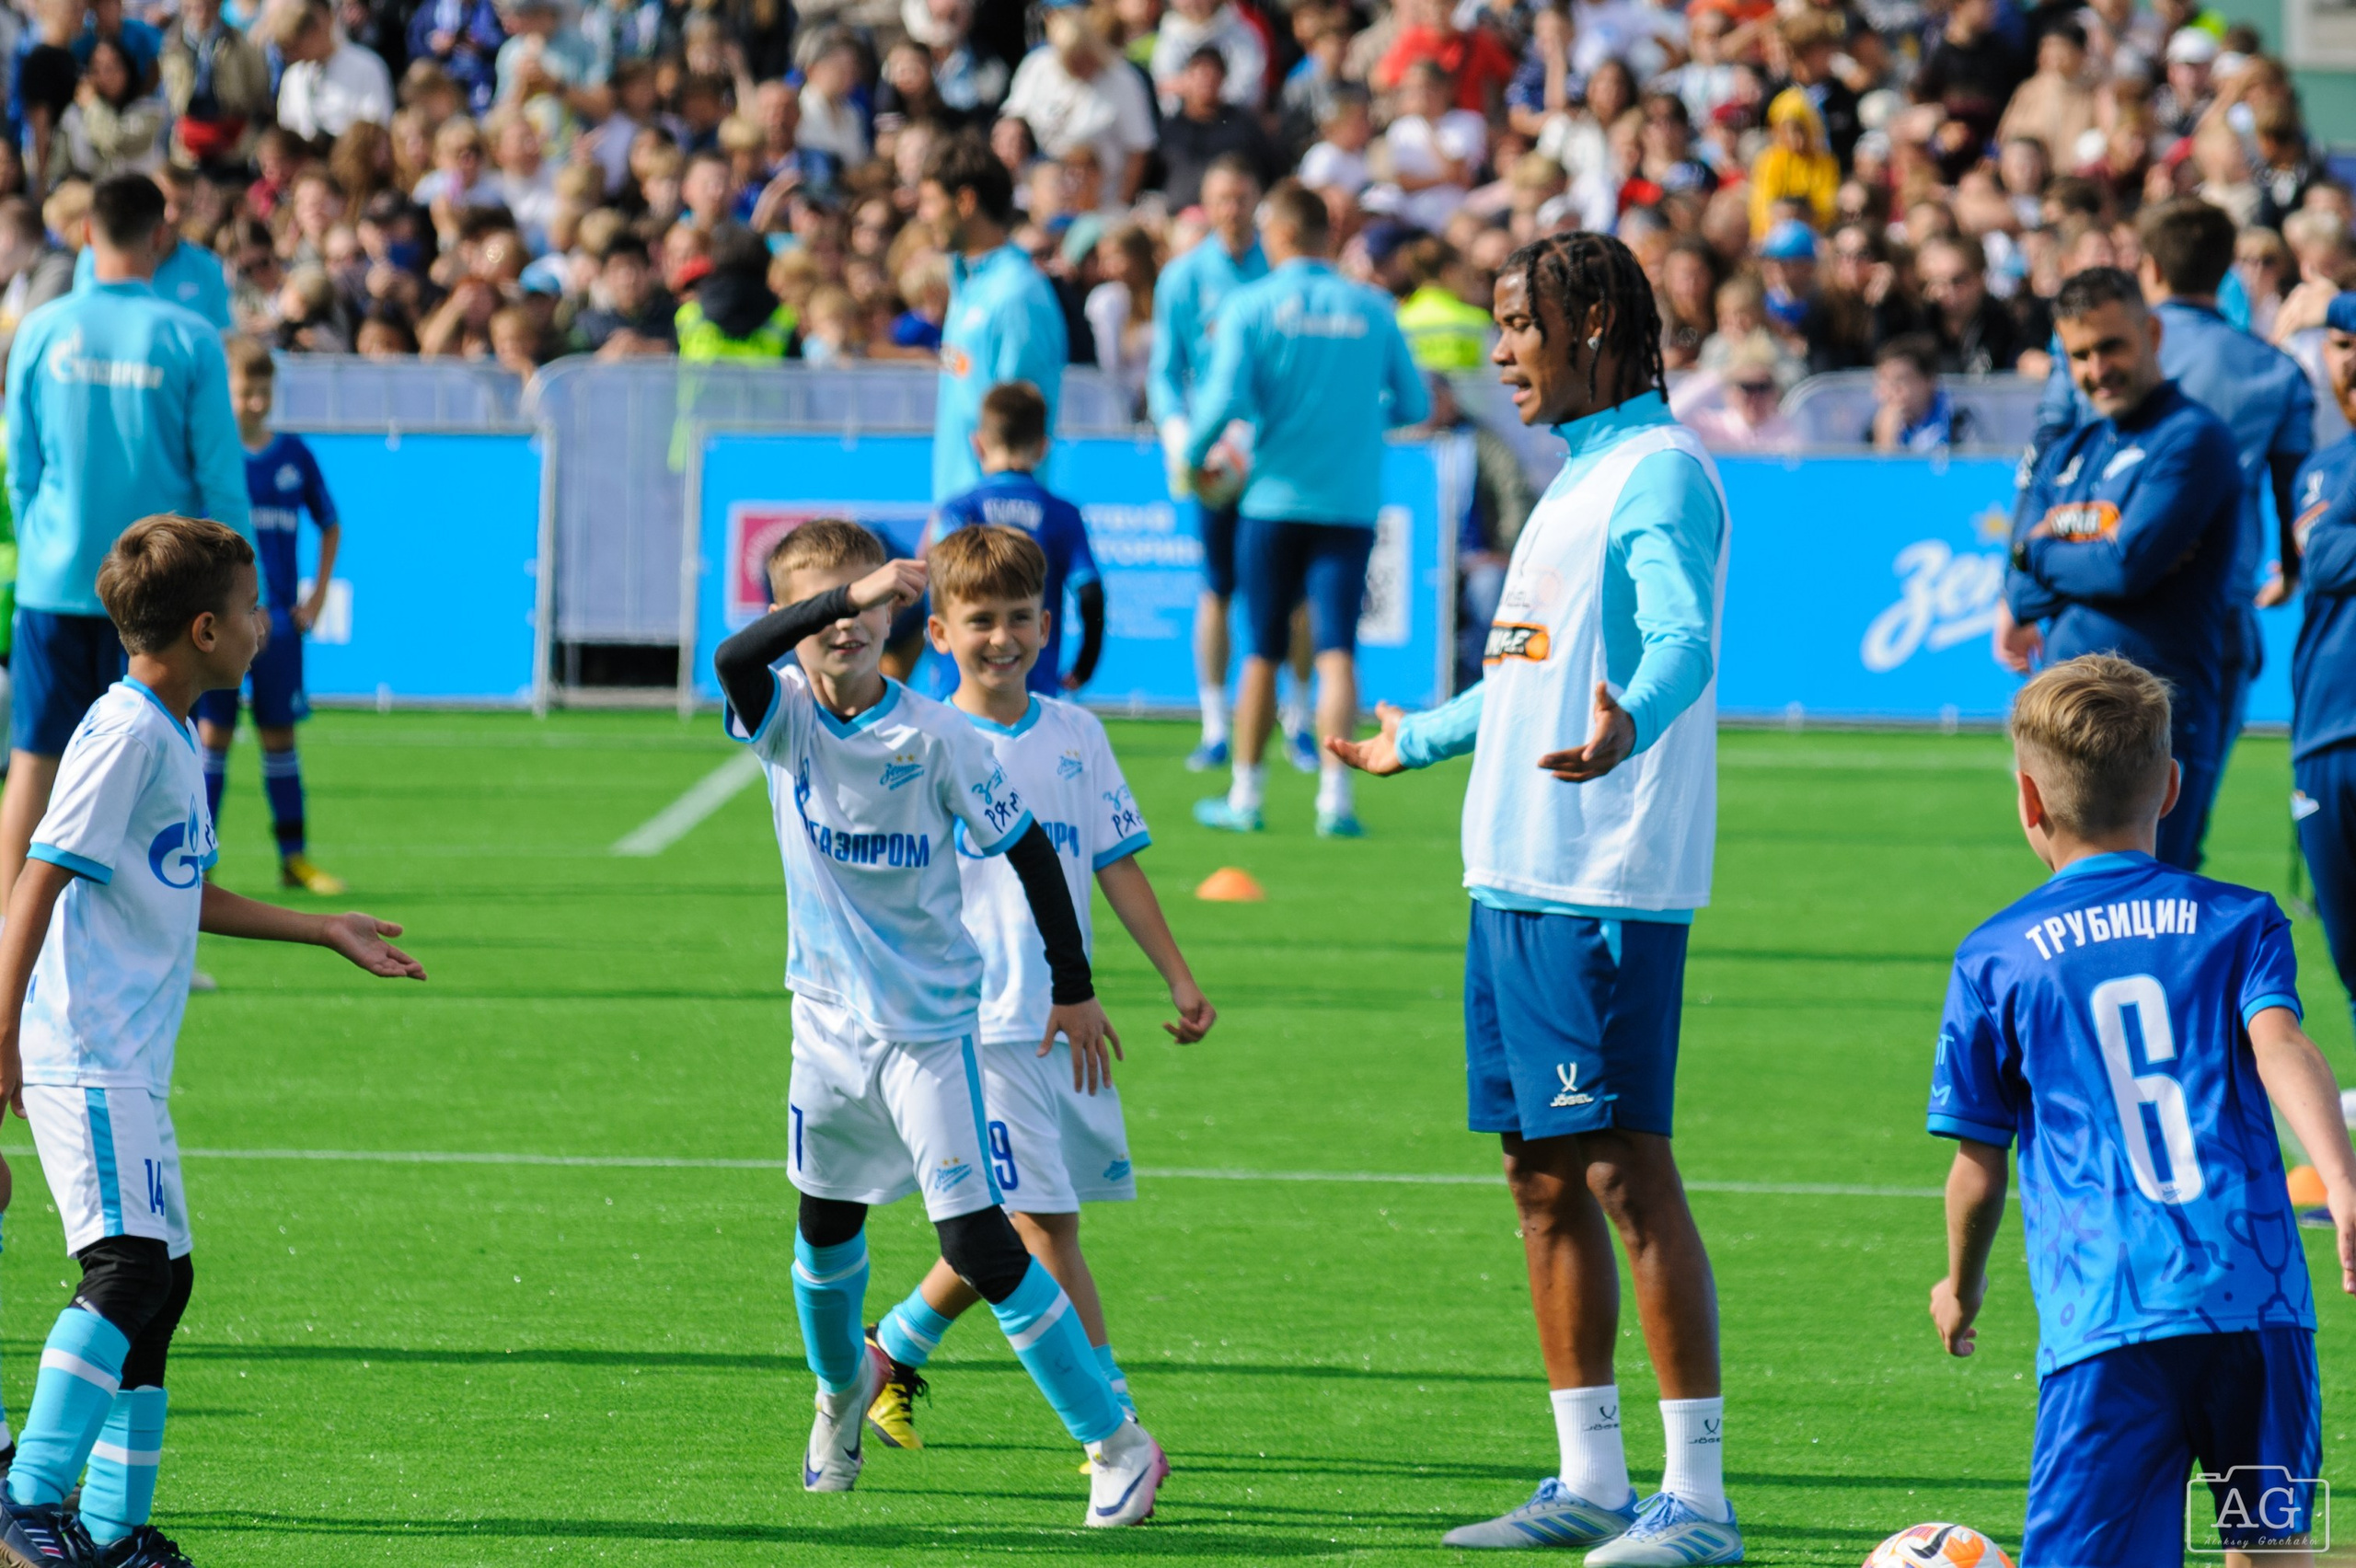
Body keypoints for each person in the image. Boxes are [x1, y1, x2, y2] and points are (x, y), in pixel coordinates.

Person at [1330, 229, 1738, 1563]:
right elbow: (1522, 675)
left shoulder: (1660, 476)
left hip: (1599, 878)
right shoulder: (1574, 480)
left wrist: (1637, 724)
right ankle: (1592, 1481)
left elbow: (1676, 641)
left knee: (1624, 1169)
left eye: (1518, 324)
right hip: (1509, 874)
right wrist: (1418, 742)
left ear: (1599, 324)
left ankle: (1701, 1502)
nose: (1499, 351)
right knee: (1537, 1178)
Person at [707, 520, 1167, 1524]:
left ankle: (1117, 1445)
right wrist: (840, 593)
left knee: (984, 1240)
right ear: (799, 621)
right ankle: (840, 1396)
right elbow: (731, 654)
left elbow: (1035, 852)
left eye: (868, 603)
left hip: (931, 1034)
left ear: (893, 615)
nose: (847, 624)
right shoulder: (780, 714)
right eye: (825, 606)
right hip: (825, 1031)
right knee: (825, 1236)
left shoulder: (939, 735)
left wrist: (1072, 981)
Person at [0, 513, 423, 1566]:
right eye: (247, 609)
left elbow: (179, 889)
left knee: (166, 1279)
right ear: (201, 629)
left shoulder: (169, 728)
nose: (263, 624)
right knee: (129, 1269)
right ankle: (27, 1501)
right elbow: (37, 879)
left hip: (128, 1063)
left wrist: (320, 928)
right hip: (85, 1052)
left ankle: (111, 1528)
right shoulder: (128, 733)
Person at [1927, 652, 2355, 1565]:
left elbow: (1978, 1164)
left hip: (2108, 1319)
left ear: (2028, 802)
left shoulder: (1995, 956)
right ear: (2168, 787)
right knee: (2272, 1548)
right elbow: (2281, 1044)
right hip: (2260, 1304)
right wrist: (2344, 1182)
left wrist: (1960, 1287)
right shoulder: (2240, 920)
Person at [860, 523, 1215, 1451]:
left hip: (1067, 1020)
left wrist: (1177, 976)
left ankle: (888, 1350)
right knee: (1044, 1225)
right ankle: (1114, 1419)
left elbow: (1116, 863)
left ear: (1047, 624)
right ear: (938, 633)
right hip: (972, 1026)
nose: (1002, 637)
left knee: (1015, 1226)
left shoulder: (1076, 735)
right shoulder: (916, 738)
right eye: (979, 620)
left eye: (1020, 617)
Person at [0, 173, 250, 919]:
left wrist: (51, 541)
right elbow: (220, 478)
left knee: (34, 766)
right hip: (158, 593)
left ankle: (7, 936)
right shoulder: (189, 336)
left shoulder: (40, 330)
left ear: (86, 234)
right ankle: (163, 931)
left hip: (56, 580)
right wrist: (244, 587)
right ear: (160, 237)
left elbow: (23, 467)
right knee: (160, 770)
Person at [2033, 199, 2313, 787]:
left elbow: (2041, 462)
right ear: (2225, 271)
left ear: (2151, 267)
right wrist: (2288, 571)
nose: (2099, 364)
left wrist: (2021, 583)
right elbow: (2296, 496)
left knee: (2082, 830)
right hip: (2213, 608)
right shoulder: (2276, 370)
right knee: (2175, 823)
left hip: (2092, 608)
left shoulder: (2094, 346)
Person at [1186, 179, 1428, 840]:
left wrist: (1193, 458)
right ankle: (1336, 799)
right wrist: (1355, 419)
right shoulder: (1374, 309)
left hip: (1273, 499)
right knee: (1335, 652)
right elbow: (1415, 405)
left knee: (1262, 650)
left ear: (1283, 233)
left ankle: (1246, 795)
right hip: (1348, 500)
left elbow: (1222, 398)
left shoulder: (1253, 304)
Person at [2000, 266, 2242, 872]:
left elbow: (2124, 568)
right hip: (2062, 724)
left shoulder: (2193, 440)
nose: (2096, 368)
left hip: (2154, 724)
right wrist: (2066, 559)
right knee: (2078, 915)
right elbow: (2021, 590)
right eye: (2079, 354)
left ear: (2152, 333)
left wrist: (2041, 549)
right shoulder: (2071, 452)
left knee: (2158, 907)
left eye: (2111, 345)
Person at [194, 340, 343, 896]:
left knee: (279, 737)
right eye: (243, 392)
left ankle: (294, 857)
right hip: (218, 626)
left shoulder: (294, 455)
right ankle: (200, 859)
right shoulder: (212, 455)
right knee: (213, 736)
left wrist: (317, 598)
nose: (255, 403)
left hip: (276, 623)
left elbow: (330, 523)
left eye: (263, 391)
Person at [1147, 155, 1268, 773]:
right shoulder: (1184, 277)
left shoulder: (1277, 269)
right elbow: (1165, 370)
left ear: (1257, 200)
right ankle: (1215, 723)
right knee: (1217, 585)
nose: (1233, 209)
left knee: (1288, 592)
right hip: (1212, 457)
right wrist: (1179, 436)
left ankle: (1296, 723)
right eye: (1222, 198)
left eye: (1242, 196)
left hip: (1273, 451)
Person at [922, 382, 1103, 696]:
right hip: (1034, 687)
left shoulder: (958, 510)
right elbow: (1089, 594)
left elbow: (936, 583)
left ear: (977, 445)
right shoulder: (1062, 514)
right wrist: (1085, 665)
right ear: (1043, 447)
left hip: (960, 687)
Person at [920, 133, 1067, 505]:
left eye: (930, 202)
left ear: (965, 201)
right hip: (959, 515)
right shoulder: (967, 283)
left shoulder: (1018, 293)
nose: (923, 215)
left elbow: (1021, 429)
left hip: (996, 528)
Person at [2288, 294, 2356, 1034]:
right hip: (2322, 736)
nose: (2352, 360)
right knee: (2350, 957)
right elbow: (2322, 557)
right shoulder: (2320, 468)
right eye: (2340, 344)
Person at [72, 171, 230, 330]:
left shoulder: (208, 267)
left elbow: (224, 336)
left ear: (192, 211)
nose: (171, 215)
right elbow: (80, 319)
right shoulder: (97, 255)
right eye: (164, 202)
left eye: (182, 206)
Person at [266, 0, 395, 142]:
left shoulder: (367, 67)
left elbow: (376, 130)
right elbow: (288, 131)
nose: (293, 55)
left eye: (297, 45)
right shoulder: (292, 78)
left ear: (317, 30)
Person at [1867, 334, 1975, 451]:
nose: (1888, 393)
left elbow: (1976, 464)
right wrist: (1885, 444)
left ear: (1929, 381)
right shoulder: (1874, 429)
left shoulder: (1959, 421)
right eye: (1883, 383)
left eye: (1899, 381)